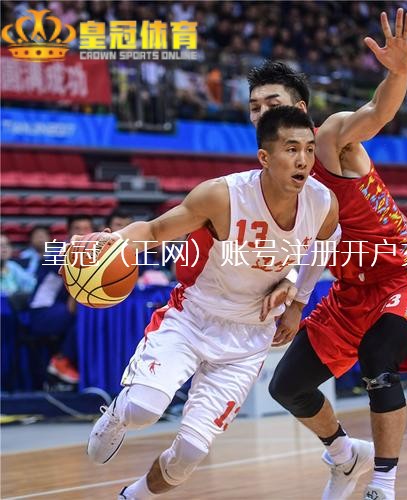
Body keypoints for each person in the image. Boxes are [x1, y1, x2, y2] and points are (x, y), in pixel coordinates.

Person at [85, 107, 341, 499]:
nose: (304, 160)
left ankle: (131, 496)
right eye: (291, 149)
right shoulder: (223, 196)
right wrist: (115, 241)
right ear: (264, 157)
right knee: (142, 410)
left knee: (190, 453)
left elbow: (323, 245)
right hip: (193, 317)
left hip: (249, 336)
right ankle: (119, 413)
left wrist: (296, 298)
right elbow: (154, 230)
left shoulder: (323, 202)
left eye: (309, 149)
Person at [249, 9, 407, 500]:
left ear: (300, 107)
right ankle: (344, 454)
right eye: (254, 106)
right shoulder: (272, 174)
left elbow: (377, 111)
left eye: (273, 102)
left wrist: (398, 73)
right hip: (351, 290)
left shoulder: (332, 137)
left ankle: (383, 484)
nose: (262, 112)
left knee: (378, 355)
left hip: (405, 277)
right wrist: (291, 294)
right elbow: (305, 243)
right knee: (287, 386)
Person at [30, 214, 94, 385]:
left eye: (86, 229)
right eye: (77, 229)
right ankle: (62, 360)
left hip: (59, 308)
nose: (82, 233)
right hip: (42, 313)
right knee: (84, 318)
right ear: (69, 232)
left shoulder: (88, 254)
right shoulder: (61, 255)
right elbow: (73, 305)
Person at [0, 234, 36, 298]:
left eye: (7, 245)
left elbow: (31, 284)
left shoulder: (13, 266)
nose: (4, 249)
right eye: (1, 245)